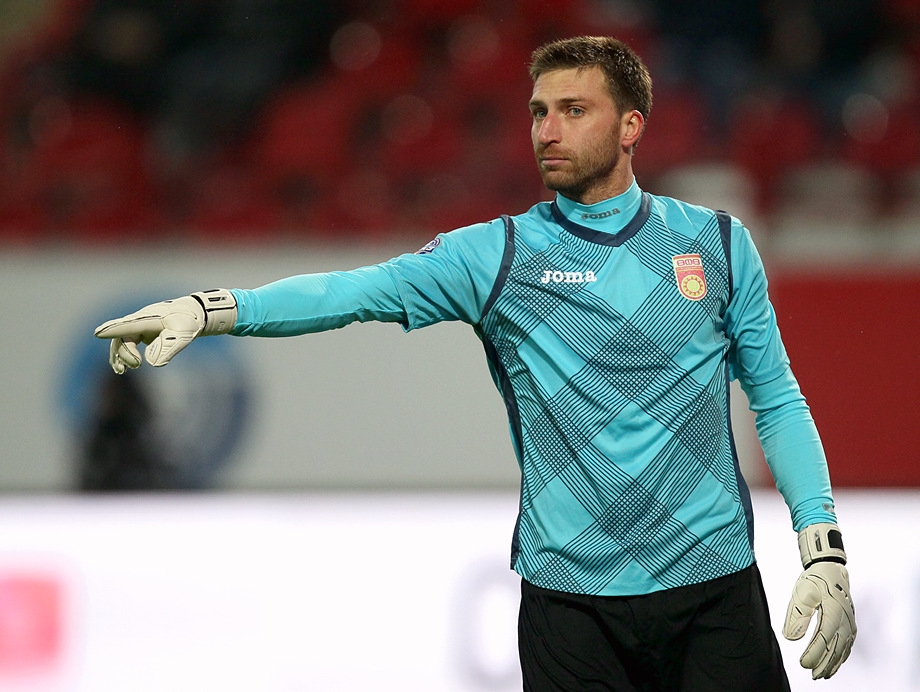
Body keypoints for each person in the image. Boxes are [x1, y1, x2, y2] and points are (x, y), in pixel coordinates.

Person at [94, 36, 856, 691]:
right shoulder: (499, 255)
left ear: (631, 126)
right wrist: (215, 308)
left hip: (713, 590)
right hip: (571, 608)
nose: (547, 130)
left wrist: (821, 547)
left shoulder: (716, 244)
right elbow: (355, 292)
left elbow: (777, 399)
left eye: (573, 110)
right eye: (538, 111)